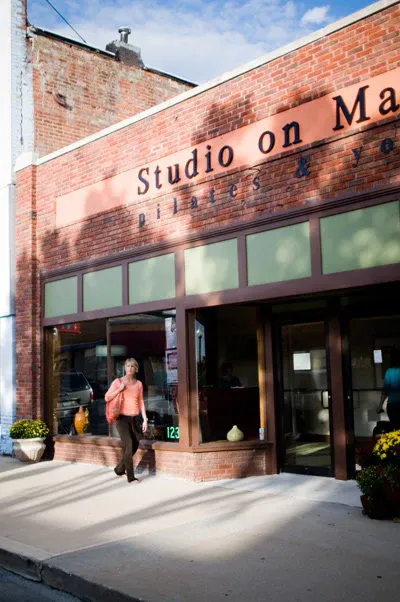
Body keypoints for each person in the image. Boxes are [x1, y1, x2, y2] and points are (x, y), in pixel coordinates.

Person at [105, 358, 148, 483]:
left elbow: (141, 402)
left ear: (136, 369)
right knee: (129, 444)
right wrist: (120, 389)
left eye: (132, 366)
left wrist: (145, 419)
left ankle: (119, 469)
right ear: (124, 368)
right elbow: (107, 397)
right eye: (128, 366)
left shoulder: (139, 384)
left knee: (135, 444)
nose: (130, 368)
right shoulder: (118, 382)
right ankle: (131, 477)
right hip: (122, 419)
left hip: (134, 418)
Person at [376, 350, 400, 431]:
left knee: (395, 428)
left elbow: (385, 390)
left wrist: (380, 405)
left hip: (392, 405)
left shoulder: (389, 372)